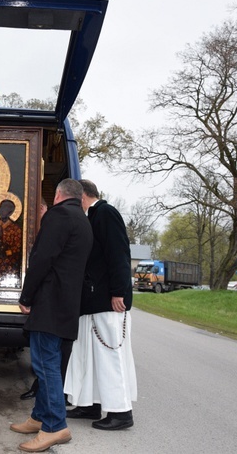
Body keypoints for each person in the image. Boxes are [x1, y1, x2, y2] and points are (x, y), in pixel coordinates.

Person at [10, 179, 92, 452]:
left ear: (57, 195)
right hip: (68, 305)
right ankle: (39, 417)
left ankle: (56, 427)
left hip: (49, 303)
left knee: (46, 367)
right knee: (51, 366)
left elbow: (42, 259)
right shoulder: (82, 220)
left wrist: (26, 296)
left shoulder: (58, 216)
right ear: (79, 197)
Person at [64, 179, 137, 430]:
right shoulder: (90, 216)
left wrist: (119, 292)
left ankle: (120, 412)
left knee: (108, 357)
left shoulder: (106, 213)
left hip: (108, 300)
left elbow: (119, 254)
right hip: (91, 301)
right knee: (88, 357)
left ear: (84, 195)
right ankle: (89, 404)